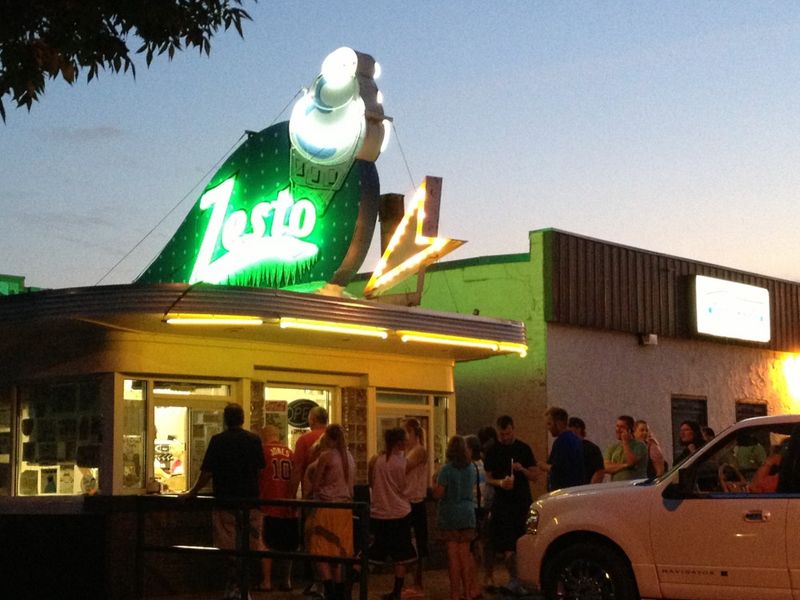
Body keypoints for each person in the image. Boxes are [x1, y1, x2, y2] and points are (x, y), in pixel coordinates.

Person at [184, 403, 265, 600]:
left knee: (228, 547)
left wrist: (193, 491)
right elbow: (261, 469)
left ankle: (233, 586)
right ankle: (244, 588)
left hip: (225, 500)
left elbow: (207, 472)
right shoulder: (254, 440)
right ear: (243, 418)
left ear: (225, 419)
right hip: (250, 501)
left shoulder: (218, 441)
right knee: (248, 546)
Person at [483, 415, 537, 596]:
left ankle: (519, 578)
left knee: (521, 542)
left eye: (507, 433)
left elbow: (535, 476)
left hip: (521, 502)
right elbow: (488, 478)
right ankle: (511, 577)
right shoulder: (493, 451)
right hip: (503, 503)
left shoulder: (524, 449)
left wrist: (522, 470)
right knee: (502, 543)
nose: (505, 437)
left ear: (513, 429)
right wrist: (500, 483)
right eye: (502, 434)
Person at [306, 424, 356, 600]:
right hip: (344, 510)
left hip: (327, 508)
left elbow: (317, 484)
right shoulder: (349, 457)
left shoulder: (327, 456)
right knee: (339, 552)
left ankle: (329, 590)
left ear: (328, 438)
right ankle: (341, 591)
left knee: (320, 550)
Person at [368, 427, 417, 600]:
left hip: (379, 513)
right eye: (404, 440)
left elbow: (371, 483)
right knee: (401, 556)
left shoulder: (377, 460)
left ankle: (351, 584)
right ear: (399, 443)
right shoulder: (402, 463)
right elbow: (406, 487)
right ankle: (396, 591)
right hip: (399, 513)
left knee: (372, 553)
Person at [433, 435, 479, 600]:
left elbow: (439, 494)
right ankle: (467, 592)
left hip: (450, 514)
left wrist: (433, 485)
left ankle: (455, 593)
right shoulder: (471, 468)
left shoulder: (446, 470)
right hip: (467, 514)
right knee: (465, 556)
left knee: (453, 556)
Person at [257, 424, 297, 592]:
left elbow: (257, 475)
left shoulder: (262, 451)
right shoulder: (291, 453)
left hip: (268, 504)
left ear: (264, 436)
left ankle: (266, 581)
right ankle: (286, 581)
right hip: (289, 506)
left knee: (266, 544)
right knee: (288, 545)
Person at [402, 418, 428, 598]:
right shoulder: (408, 451)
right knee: (407, 543)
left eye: (405, 433)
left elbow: (404, 467)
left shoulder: (419, 451)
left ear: (412, 433)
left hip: (415, 502)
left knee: (416, 543)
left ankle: (417, 583)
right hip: (406, 501)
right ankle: (409, 582)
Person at [539, 407, 584, 490]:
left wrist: (542, 465)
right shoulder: (576, 440)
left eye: (549, 424)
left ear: (559, 423)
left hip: (563, 491)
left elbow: (557, 469)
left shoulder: (561, 442)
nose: (548, 428)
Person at [475, 426, 498, 591]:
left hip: (487, 503)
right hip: (487, 503)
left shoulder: (483, 460)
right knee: (487, 541)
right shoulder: (482, 461)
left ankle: (487, 576)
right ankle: (487, 576)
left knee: (487, 541)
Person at [291, 406, 329, 498]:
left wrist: (291, 496)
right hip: (334, 496)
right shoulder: (335, 438)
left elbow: (297, 470)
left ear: (312, 420)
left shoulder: (304, 439)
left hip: (311, 494)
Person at [604, 415, 647, 481]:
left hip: (635, 487)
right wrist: (625, 465)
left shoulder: (640, 445)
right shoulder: (612, 447)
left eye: (621, 427)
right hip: (616, 486)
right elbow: (606, 467)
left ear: (630, 430)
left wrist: (625, 442)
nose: (618, 429)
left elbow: (631, 461)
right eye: (617, 426)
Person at [567, 417, 605, 484]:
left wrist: (591, 489)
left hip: (584, 489)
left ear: (578, 429)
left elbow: (599, 472)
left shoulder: (590, 448)